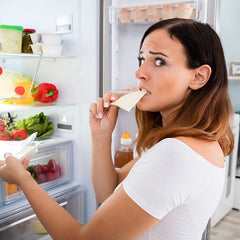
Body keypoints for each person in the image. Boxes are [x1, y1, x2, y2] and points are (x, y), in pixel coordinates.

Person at [0, 18, 234, 240]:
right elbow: (108, 194)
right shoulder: (185, 142)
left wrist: (23, 178)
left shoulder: (175, 154)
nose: (139, 73)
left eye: (159, 61)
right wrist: (101, 137)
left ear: (199, 76)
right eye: (141, 59)